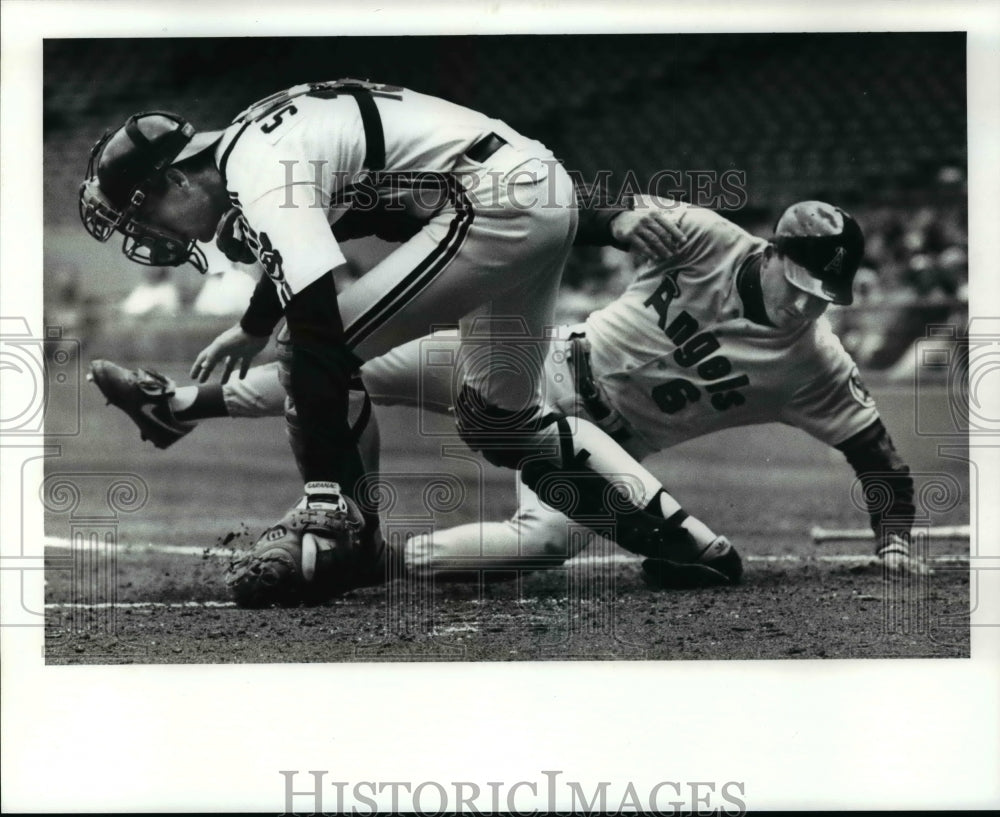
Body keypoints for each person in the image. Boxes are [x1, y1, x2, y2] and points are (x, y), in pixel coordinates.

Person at [79, 79, 740, 607]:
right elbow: (373, 209)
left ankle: (345, 528)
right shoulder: (261, 136)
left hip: (494, 207)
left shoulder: (258, 166)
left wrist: (321, 492)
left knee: (317, 352)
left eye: (143, 211)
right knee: (501, 421)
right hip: (528, 191)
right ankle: (696, 549)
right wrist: (252, 326)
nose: (155, 232)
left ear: (174, 179)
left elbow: (315, 319)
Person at [90, 193, 927, 603]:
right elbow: (573, 217)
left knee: (550, 540)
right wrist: (613, 221)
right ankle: (178, 406)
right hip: (536, 361)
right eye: (808, 281)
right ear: (777, 255)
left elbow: (876, 455)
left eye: (830, 292)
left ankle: (372, 562)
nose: (814, 301)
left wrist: (892, 541)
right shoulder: (707, 239)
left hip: (602, 442)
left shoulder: (815, 360)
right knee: (350, 363)